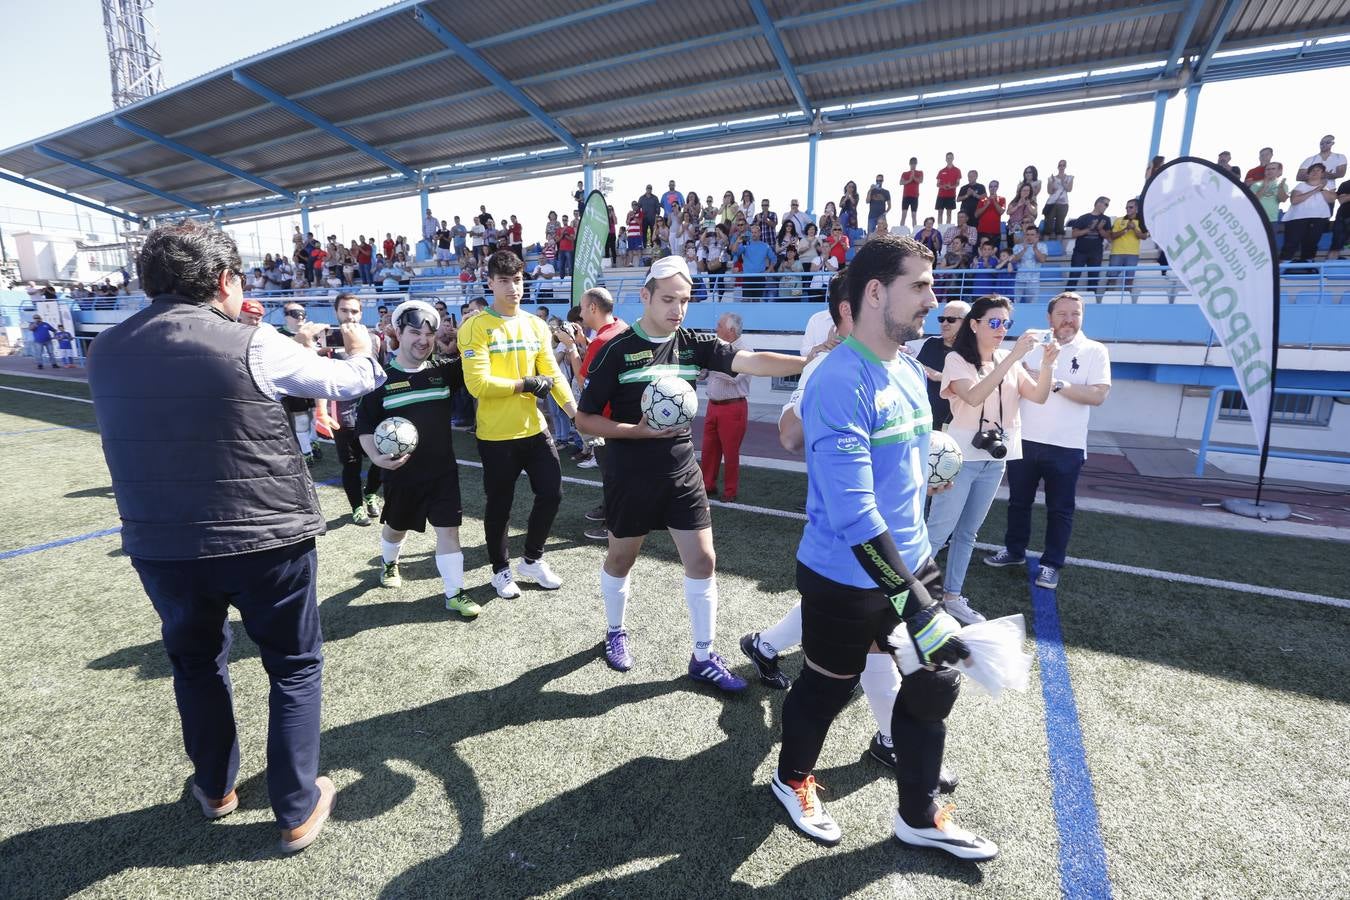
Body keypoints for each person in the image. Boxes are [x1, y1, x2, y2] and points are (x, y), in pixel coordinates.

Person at [87, 223, 384, 852]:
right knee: (294, 667)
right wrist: (359, 348)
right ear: (225, 281)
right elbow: (349, 383)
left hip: (162, 543)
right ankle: (296, 807)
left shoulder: (103, 349)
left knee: (196, 665)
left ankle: (216, 787)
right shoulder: (253, 342)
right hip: (263, 536)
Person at [770, 234, 993, 858]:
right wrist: (920, 604)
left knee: (938, 676)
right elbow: (855, 514)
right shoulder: (839, 380)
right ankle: (792, 779)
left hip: (908, 556)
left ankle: (917, 815)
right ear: (874, 292)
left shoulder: (904, 367)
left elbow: (899, 475)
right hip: (844, 570)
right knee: (826, 687)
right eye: (919, 286)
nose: (933, 298)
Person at [574, 255, 805, 685]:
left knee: (703, 559)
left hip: (682, 470)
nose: (677, 309)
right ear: (644, 297)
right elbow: (584, 420)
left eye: (684, 300)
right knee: (622, 558)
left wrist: (809, 361)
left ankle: (703, 656)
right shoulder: (616, 351)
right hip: (629, 471)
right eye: (667, 299)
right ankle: (614, 631)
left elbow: (752, 361)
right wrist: (638, 432)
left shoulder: (694, 342)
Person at [925, 295, 1058, 625]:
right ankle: (906, 596)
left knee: (968, 533)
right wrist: (1013, 356)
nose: (1001, 329)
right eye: (994, 323)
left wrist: (1048, 363)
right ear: (975, 324)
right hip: (960, 458)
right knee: (938, 532)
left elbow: (1038, 396)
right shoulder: (957, 359)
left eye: (1006, 324)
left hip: (995, 457)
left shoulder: (1008, 360)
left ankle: (952, 597)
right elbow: (973, 396)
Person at [459, 250, 577, 599]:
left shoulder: (537, 325)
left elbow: (552, 374)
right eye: (505, 281)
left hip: (534, 428)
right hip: (496, 436)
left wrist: (576, 416)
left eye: (518, 280)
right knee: (500, 506)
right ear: (491, 283)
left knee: (552, 493)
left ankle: (532, 560)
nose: (513, 287)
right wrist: (526, 384)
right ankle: (500, 570)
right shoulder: (475, 328)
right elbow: (477, 385)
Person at [356, 300, 480, 618]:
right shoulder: (380, 379)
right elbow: (365, 424)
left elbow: (476, 361)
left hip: (442, 473)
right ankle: (389, 562)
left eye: (429, 334)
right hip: (401, 475)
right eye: (414, 332)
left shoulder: (442, 372)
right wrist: (376, 457)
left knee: (449, 531)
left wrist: (472, 328)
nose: (423, 340)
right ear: (398, 332)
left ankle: (454, 593)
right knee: (396, 528)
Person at [985, 292, 1110, 591]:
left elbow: (1097, 395)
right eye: (1063, 314)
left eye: (1075, 314)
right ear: (1049, 318)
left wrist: (1053, 382)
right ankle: (1014, 551)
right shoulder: (1031, 347)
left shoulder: (1094, 350)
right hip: (1024, 439)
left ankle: (1051, 564)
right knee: (1018, 502)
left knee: (1060, 508)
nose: (1069, 320)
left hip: (1066, 445)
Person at [323, 293, 385, 528]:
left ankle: (370, 493)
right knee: (351, 464)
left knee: (381, 458)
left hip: (372, 411)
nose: (349, 315)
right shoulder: (327, 340)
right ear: (336, 312)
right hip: (343, 414)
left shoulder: (374, 339)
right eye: (344, 310)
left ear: (361, 313)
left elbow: (379, 374)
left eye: (354, 311)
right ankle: (357, 506)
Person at [700, 312, 752, 503]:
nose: (716, 328)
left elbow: (733, 377)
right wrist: (703, 370)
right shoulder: (718, 346)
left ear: (731, 330)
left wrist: (711, 366)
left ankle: (730, 491)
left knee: (730, 452)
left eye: (719, 325)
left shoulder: (745, 351)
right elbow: (708, 371)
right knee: (708, 449)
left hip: (733, 407)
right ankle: (708, 485)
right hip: (713, 405)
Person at [277, 303, 321, 465]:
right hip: (294, 381)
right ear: (286, 315)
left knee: (316, 415)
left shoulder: (312, 332)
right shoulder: (279, 335)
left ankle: (313, 442)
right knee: (301, 418)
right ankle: (306, 451)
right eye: (295, 313)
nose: (300, 317)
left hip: (313, 379)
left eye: (302, 313)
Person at [916, 299, 970, 430]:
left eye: (951, 319)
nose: (945, 323)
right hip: (924, 422)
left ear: (967, 323)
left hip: (955, 426)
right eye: (942, 319)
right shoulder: (931, 344)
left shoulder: (972, 352)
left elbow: (974, 386)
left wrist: (940, 377)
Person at [1281, 163, 1338, 263]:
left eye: (1318, 170)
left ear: (1322, 174)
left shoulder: (1327, 188)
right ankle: (1283, 265)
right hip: (1296, 218)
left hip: (1319, 218)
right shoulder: (1301, 185)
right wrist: (1315, 190)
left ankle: (1308, 263)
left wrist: (1321, 188)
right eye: (1312, 171)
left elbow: (1332, 199)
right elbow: (1294, 200)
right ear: (1308, 174)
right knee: (1292, 242)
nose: (1315, 172)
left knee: (1312, 242)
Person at [1064, 196, 1112, 296]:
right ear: (1098, 203)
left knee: (1093, 278)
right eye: (1105, 204)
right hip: (1080, 252)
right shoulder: (1083, 218)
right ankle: (1066, 299)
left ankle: (1092, 301)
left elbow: (1108, 237)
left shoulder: (1106, 219)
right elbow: (1074, 234)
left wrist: (1099, 229)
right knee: (1074, 277)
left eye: (1108, 205)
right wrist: (1089, 229)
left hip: (1096, 253)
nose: (1107, 207)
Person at [1107, 200, 1149, 294]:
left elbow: (1144, 237)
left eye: (1131, 207)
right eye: (1126, 207)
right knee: (1112, 278)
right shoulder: (1119, 220)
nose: (1127, 209)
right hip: (1116, 253)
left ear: (1137, 209)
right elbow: (1112, 236)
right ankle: (1109, 298)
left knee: (1129, 279)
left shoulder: (1142, 221)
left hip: (1132, 254)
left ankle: (1127, 298)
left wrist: (1134, 229)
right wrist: (1126, 229)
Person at [1044, 160, 1073, 237]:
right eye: (1060, 165)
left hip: (1063, 204)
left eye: (1063, 165)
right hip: (1051, 203)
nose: (1061, 167)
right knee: (1048, 225)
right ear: (1058, 166)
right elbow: (1049, 191)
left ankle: (1059, 245)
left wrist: (1063, 182)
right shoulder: (1051, 178)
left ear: (1065, 166)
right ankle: (1046, 244)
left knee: (1060, 225)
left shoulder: (1070, 177)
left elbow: (1069, 189)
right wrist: (1052, 183)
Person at [934, 152, 961, 226]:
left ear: (953, 158)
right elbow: (937, 184)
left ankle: (947, 228)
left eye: (951, 157)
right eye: (948, 158)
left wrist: (950, 187)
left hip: (951, 195)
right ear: (946, 159)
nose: (949, 159)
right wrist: (943, 186)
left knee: (949, 213)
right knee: (940, 213)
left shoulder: (957, 170)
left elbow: (958, 183)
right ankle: (940, 227)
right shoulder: (941, 171)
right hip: (941, 195)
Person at [899, 158, 923, 229]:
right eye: (912, 163)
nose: (913, 164)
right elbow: (901, 182)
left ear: (916, 163)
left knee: (914, 214)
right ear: (909, 163)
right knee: (904, 214)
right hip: (906, 196)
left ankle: (915, 231)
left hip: (914, 196)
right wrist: (910, 180)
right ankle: (901, 230)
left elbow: (920, 181)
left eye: (914, 163)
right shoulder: (905, 173)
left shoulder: (920, 172)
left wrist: (914, 177)